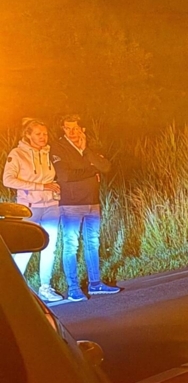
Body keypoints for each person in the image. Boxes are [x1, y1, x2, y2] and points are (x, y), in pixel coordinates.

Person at [51, 114, 120, 301]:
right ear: (63, 129)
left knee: (93, 243)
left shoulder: (88, 147)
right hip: (71, 204)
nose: (72, 132)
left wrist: (86, 152)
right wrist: (92, 169)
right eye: (67, 128)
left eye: (75, 128)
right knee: (71, 245)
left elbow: (106, 167)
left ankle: (95, 283)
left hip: (92, 201)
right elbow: (65, 176)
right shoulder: (58, 147)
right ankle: (73, 287)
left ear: (83, 129)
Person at [3, 118, 63, 301]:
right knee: (25, 248)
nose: (43, 137)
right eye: (38, 134)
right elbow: (8, 180)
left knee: (50, 248)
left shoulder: (48, 153)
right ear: (28, 135)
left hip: (51, 206)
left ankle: (45, 287)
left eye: (44, 133)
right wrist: (41, 186)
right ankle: (13, 291)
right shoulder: (17, 154)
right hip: (29, 208)